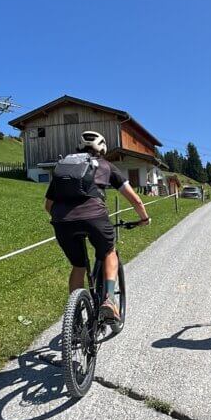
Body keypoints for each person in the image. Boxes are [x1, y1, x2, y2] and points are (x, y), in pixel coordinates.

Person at [45, 131, 150, 321]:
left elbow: (48, 205)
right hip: (95, 216)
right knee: (109, 251)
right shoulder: (106, 166)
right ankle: (109, 299)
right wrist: (144, 218)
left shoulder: (64, 167)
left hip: (62, 222)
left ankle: (74, 316)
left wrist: (65, 218)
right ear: (102, 148)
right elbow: (134, 199)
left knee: (78, 266)